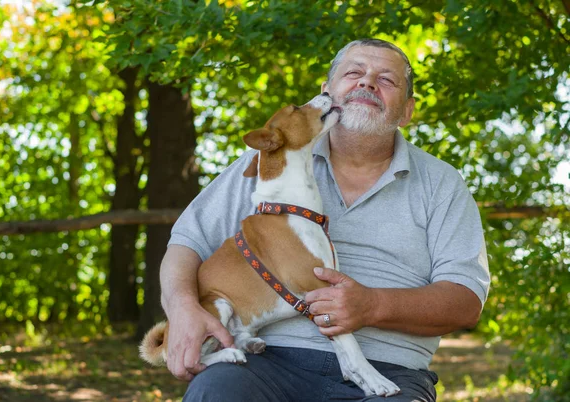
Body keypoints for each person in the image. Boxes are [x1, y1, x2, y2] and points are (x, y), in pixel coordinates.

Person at [159, 38, 490, 402]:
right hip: (265, 362)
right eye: (354, 73)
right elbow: (187, 241)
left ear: (406, 112)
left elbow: (465, 302)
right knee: (215, 391)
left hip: (390, 369)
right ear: (327, 91)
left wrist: (374, 305)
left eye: (386, 79)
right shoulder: (271, 159)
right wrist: (182, 308)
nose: (367, 83)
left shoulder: (442, 184)